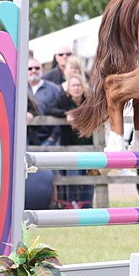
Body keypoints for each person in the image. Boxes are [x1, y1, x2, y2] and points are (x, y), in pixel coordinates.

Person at [47, 75, 93, 209]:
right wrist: (66, 113)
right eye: (73, 85)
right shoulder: (63, 100)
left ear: (83, 87)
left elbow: (97, 111)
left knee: (89, 177)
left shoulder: (89, 100)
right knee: (72, 176)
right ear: (68, 88)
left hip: (89, 145)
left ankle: (88, 206)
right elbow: (50, 110)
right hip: (70, 146)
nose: (76, 88)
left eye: (78, 85)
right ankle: (73, 205)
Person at [25, 56, 64, 146]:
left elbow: (61, 110)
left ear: (42, 70)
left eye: (37, 68)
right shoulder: (19, 89)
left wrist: (53, 137)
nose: (33, 70)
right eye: (30, 68)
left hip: (50, 138)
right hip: (26, 139)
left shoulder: (54, 88)